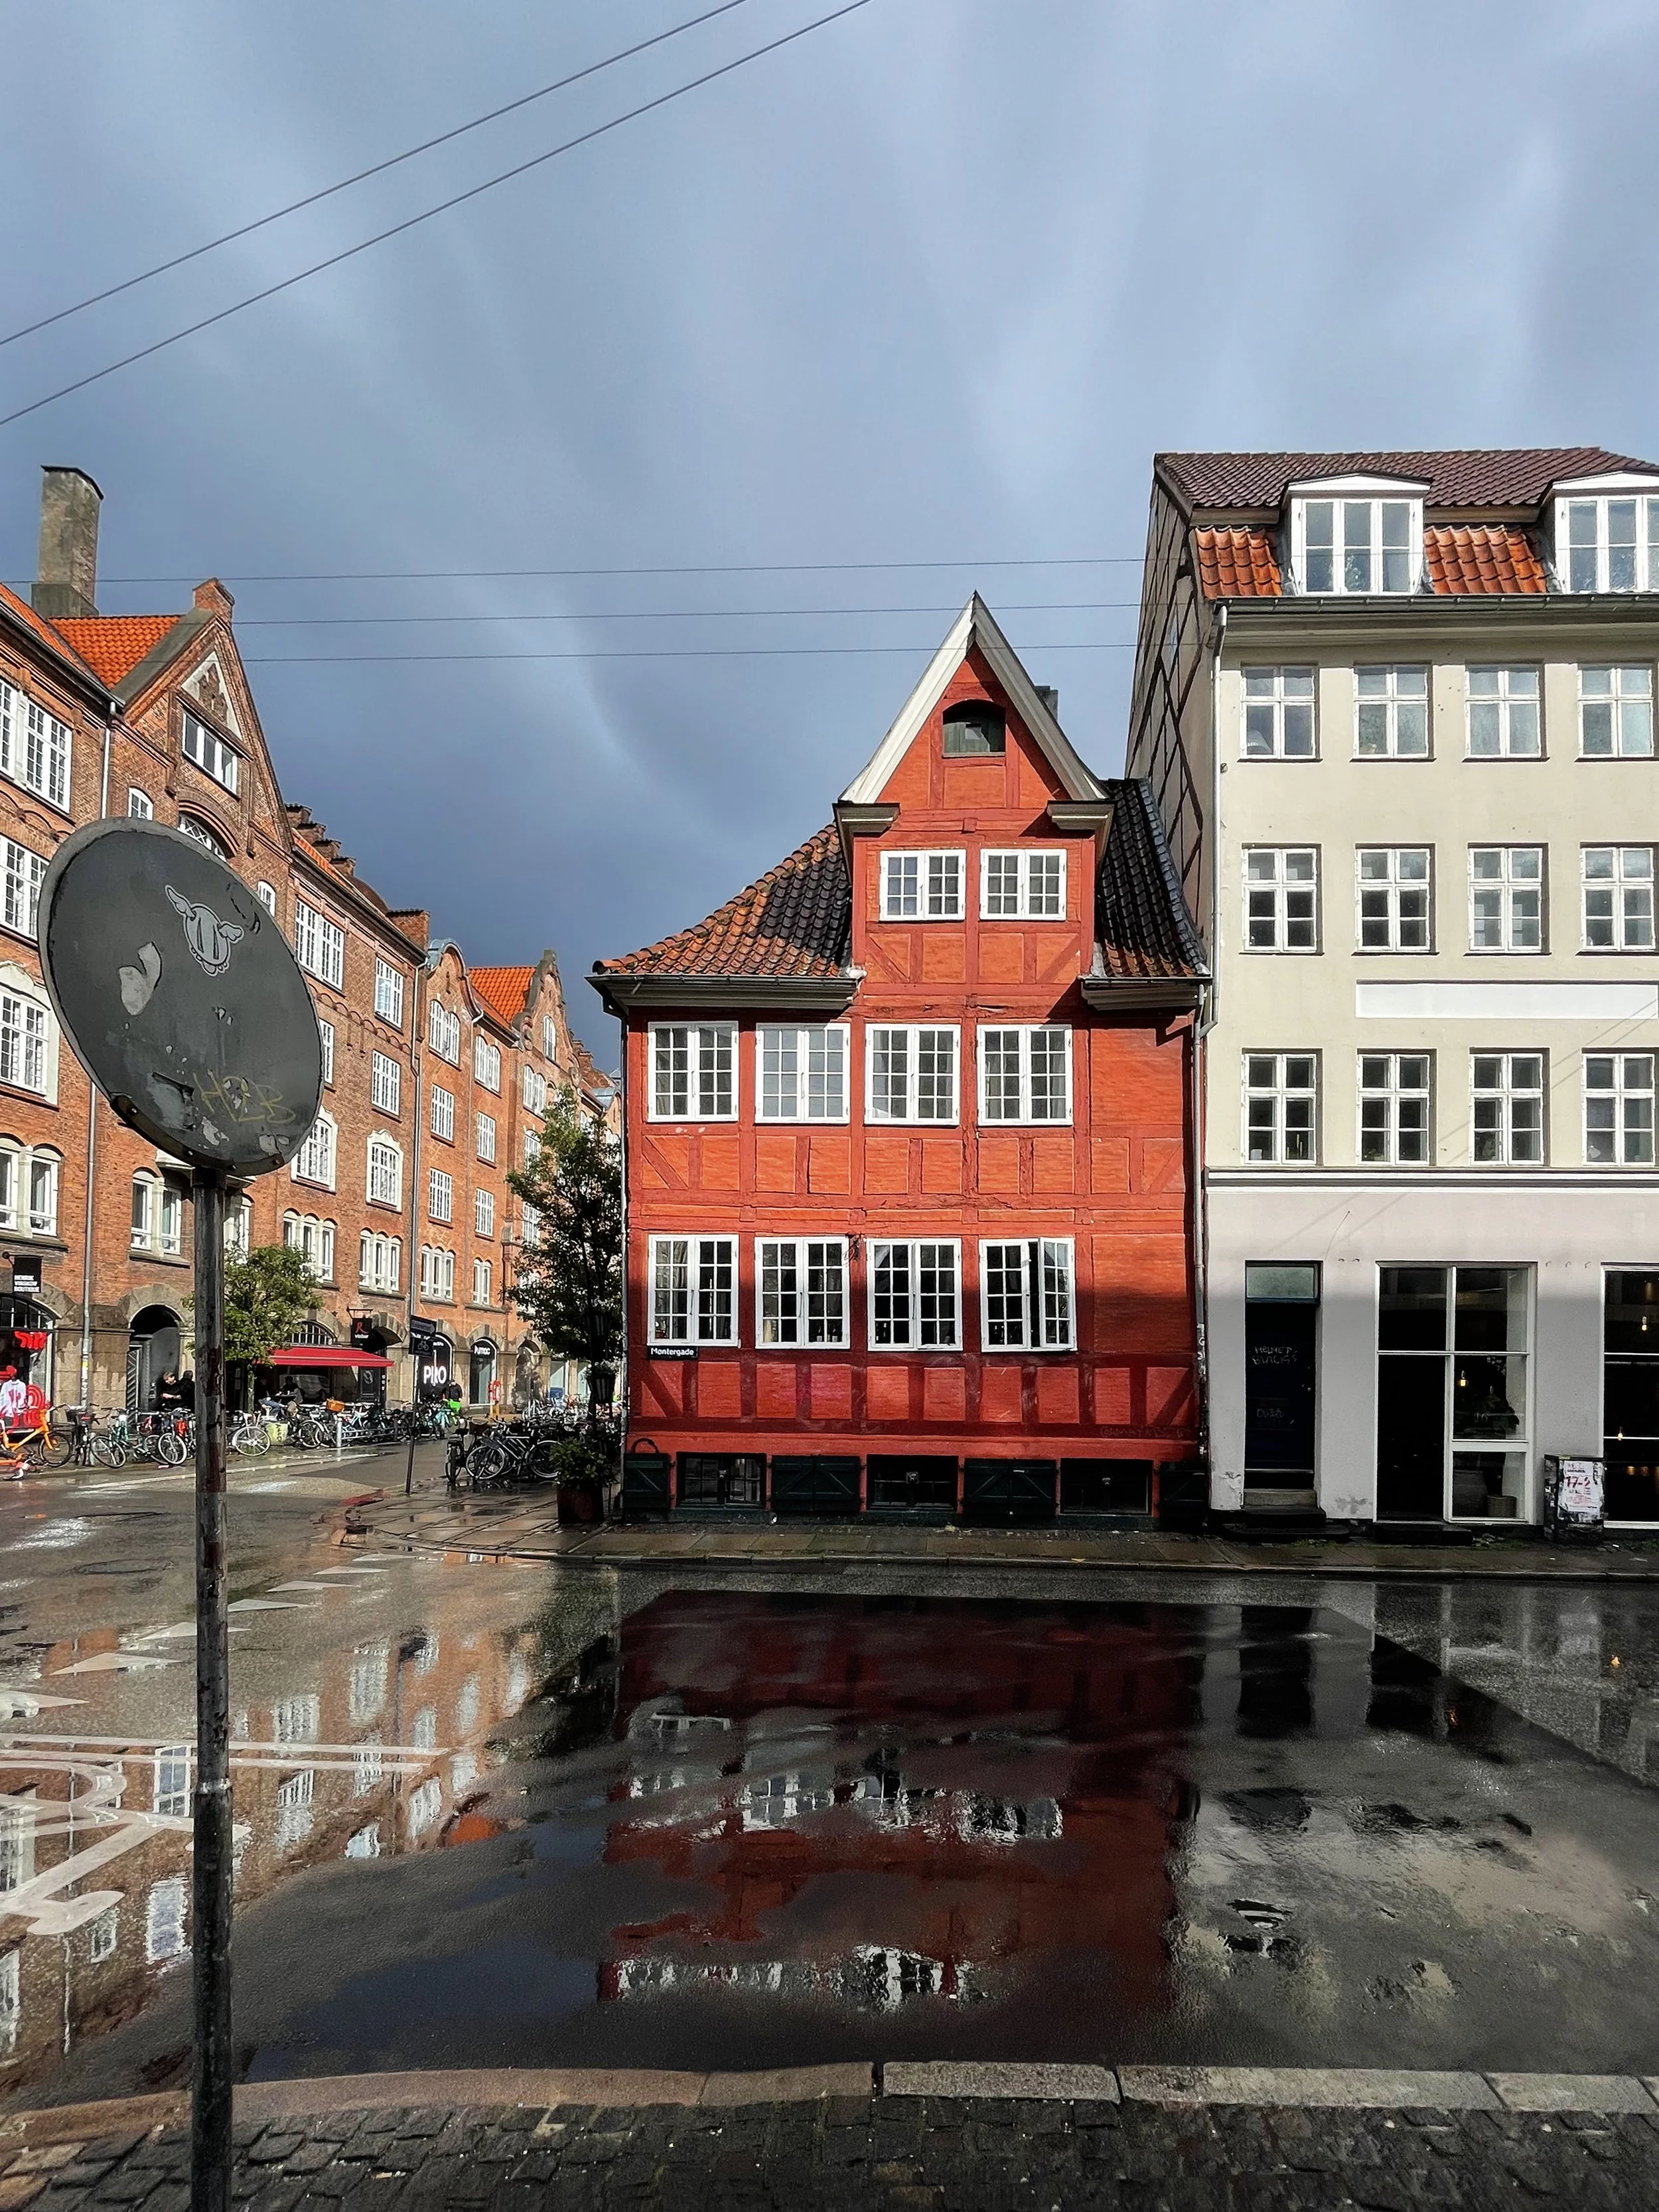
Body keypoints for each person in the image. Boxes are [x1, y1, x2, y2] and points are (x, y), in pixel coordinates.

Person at [0, 1367, 29, 1478]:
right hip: (15, 1413)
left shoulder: (6, 1386)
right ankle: (13, 1455)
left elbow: (2, 1399)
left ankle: (15, 1457)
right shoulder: (20, 1385)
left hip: (8, 1413)